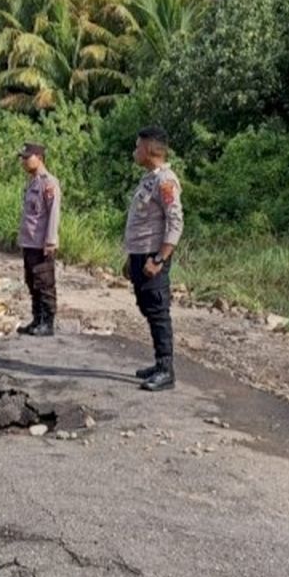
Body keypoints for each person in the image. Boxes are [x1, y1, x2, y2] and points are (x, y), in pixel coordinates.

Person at [123, 125, 183, 391]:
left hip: (152, 256)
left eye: (138, 146)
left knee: (158, 310)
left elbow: (175, 222)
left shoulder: (165, 181)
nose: (135, 151)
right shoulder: (149, 179)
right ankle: (158, 364)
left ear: (148, 149)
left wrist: (159, 258)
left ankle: (166, 369)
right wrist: (131, 258)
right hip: (139, 255)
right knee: (147, 306)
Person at [15, 142, 61, 337]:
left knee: (44, 282)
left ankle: (47, 322)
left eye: (27, 157)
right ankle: (37, 319)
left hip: (42, 242)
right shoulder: (33, 182)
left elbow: (53, 213)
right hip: (29, 241)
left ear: (39, 158)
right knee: (32, 281)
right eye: (23, 158)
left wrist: (50, 240)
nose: (24, 161)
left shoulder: (48, 182)